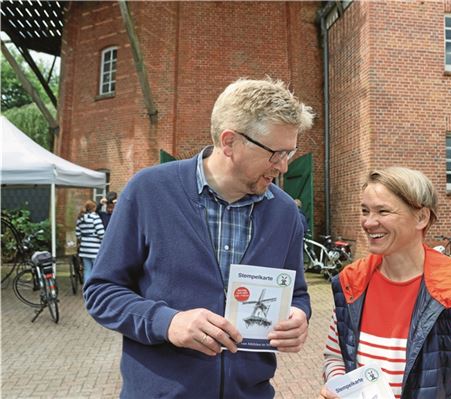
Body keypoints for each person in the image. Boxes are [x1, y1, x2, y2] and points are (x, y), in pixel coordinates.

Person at [84, 78, 314, 398]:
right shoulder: (148, 191)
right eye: (276, 153)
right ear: (230, 141)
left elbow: (297, 294)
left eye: (290, 152)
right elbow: (101, 292)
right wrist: (168, 322)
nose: (284, 166)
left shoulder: (286, 213)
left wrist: (299, 316)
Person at [320, 167, 451, 399]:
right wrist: (340, 387)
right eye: (365, 210)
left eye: (383, 211)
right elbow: (336, 359)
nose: (368, 222)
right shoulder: (351, 282)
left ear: (421, 217)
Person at [75, 200, 105, 283]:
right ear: (94, 208)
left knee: (87, 270)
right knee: (97, 270)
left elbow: (78, 234)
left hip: (84, 249)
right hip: (95, 249)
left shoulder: (80, 218)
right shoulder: (95, 217)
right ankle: (95, 289)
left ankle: (87, 289)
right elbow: (101, 233)